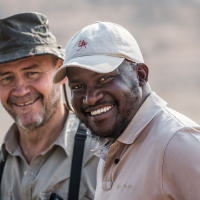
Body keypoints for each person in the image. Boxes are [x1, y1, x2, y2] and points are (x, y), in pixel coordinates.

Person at [53, 21, 200, 200]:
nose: (90, 98)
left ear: (140, 75)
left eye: (104, 78)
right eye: (78, 86)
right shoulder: (111, 146)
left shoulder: (179, 144)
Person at [0, 12, 99, 200]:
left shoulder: (101, 157)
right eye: (7, 78)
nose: (20, 91)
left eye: (32, 73)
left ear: (61, 72)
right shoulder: (2, 165)